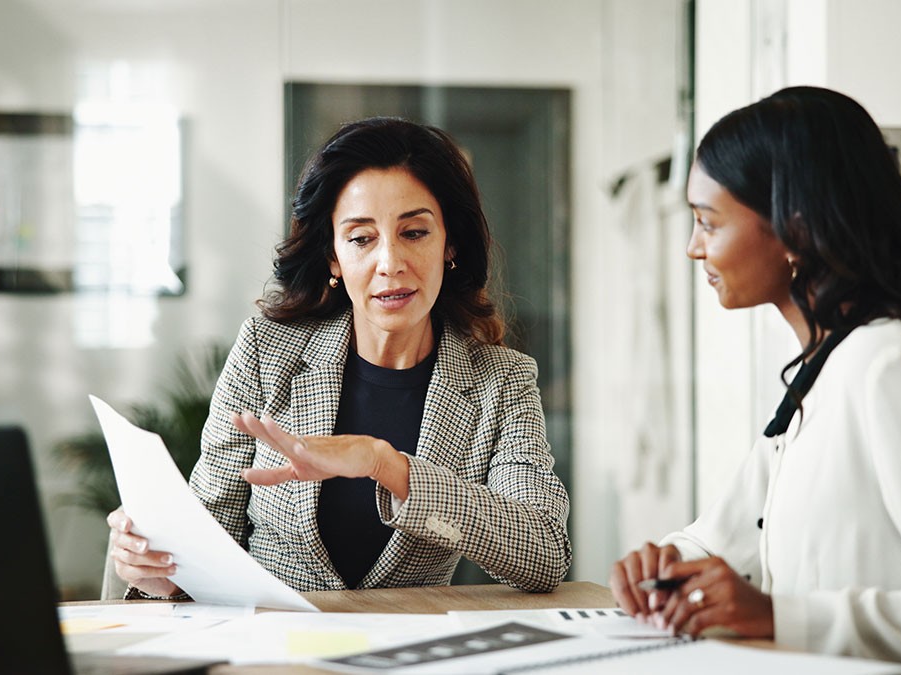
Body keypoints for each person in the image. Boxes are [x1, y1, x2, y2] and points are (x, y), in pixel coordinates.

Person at [608, 86, 901, 674]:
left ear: (794, 230)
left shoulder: (890, 366)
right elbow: (729, 536)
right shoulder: (821, 372)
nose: (692, 248)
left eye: (708, 222)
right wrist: (665, 563)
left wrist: (781, 616)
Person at [107, 117, 572, 598]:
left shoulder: (502, 380)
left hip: (408, 653)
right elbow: (206, 539)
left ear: (449, 244)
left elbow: (544, 554)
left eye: (414, 232)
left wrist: (383, 463)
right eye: (361, 238)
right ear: (333, 256)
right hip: (274, 650)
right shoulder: (267, 351)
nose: (390, 262)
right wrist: (160, 570)